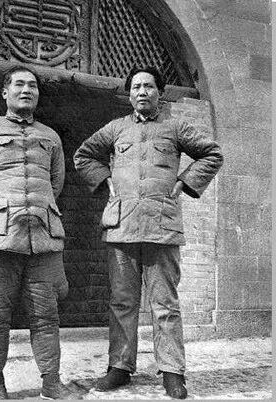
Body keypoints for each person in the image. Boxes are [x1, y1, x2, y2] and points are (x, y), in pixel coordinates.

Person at [73, 66, 223, 399]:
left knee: (164, 304)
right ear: (129, 95)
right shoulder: (116, 128)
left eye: (149, 86)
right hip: (122, 227)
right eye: (136, 87)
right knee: (122, 302)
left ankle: (172, 372)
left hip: (161, 227)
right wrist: (105, 179)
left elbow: (212, 154)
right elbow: (84, 155)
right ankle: (119, 367)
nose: (142, 92)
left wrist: (184, 182)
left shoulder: (176, 127)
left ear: (160, 92)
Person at [0, 65, 73, 400]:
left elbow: (56, 183)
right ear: (5, 92)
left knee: (47, 314)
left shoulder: (50, 136)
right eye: (19, 84)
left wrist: (36, 210)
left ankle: (51, 381)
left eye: (32, 85)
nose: (26, 90)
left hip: (43, 239)